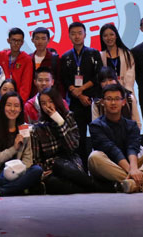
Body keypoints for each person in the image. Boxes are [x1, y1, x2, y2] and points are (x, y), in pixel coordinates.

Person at [32, 87, 113, 194]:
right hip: (51, 167)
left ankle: (97, 186)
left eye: (51, 101)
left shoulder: (68, 117)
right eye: (43, 103)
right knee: (53, 183)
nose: (48, 106)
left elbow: (73, 146)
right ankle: (97, 187)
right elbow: (36, 159)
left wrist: (59, 121)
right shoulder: (38, 128)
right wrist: (43, 171)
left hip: (70, 162)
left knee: (61, 165)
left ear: (57, 101)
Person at [88, 84, 143, 193]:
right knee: (94, 157)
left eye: (117, 99)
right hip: (109, 167)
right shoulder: (96, 125)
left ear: (123, 102)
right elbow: (112, 150)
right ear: (102, 102)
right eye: (109, 99)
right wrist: (132, 170)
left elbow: (132, 147)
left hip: (131, 165)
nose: (113, 103)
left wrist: (134, 168)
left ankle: (134, 182)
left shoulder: (131, 125)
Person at [0, 91, 43, 197]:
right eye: (9, 105)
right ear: (2, 107)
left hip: (18, 173)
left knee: (37, 170)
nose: (12, 109)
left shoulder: (25, 128)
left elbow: (28, 161)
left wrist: (16, 171)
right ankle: (21, 189)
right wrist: (14, 148)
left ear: (21, 109)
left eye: (16, 106)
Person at [60, 21, 102, 166]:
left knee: (98, 135)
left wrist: (82, 89)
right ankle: (82, 169)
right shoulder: (65, 57)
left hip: (92, 101)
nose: (76, 36)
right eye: (73, 34)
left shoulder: (93, 53)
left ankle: (100, 167)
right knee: (79, 138)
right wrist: (78, 94)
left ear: (85, 35)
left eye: (79, 33)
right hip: (75, 103)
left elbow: (98, 76)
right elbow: (65, 79)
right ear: (69, 36)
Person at [99, 23, 136, 96]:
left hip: (126, 93)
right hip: (108, 93)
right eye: (105, 36)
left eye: (111, 34)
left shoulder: (127, 54)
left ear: (116, 36)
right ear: (102, 38)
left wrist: (124, 92)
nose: (109, 38)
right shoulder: (100, 56)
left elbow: (130, 76)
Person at [29, 27, 61, 95]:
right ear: (32, 40)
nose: (40, 42)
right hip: (32, 98)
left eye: (43, 38)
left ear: (48, 40)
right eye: (37, 38)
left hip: (50, 97)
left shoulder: (55, 59)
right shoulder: (28, 59)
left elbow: (60, 83)